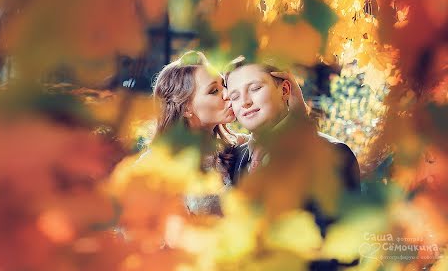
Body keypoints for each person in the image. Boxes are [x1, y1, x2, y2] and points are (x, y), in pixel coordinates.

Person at [223, 58, 361, 269]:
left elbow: (343, 255)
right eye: (234, 96)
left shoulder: (332, 154)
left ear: (285, 89)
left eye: (255, 88)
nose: (245, 102)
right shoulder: (235, 158)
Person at [150, 51, 308, 215]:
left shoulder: (231, 150)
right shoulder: (158, 168)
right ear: (186, 108)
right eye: (213, 91)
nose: (228, 95)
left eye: (223, 86)